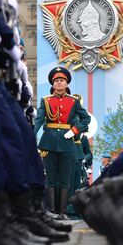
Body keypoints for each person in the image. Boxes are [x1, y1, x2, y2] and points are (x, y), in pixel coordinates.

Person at [34, 67, 90, 219]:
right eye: (57, 81)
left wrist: (74, 131)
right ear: (53, 85)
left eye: (62, 80)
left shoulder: (74, 101)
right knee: (51, 178)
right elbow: (38, 120)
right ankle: (52, 211)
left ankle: (62, 212)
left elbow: (86, 119)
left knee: (65, 178)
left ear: (66, 84)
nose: (59, 83)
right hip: (48, 142)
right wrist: (31, 136)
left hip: (67, 143)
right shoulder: (45, 100)